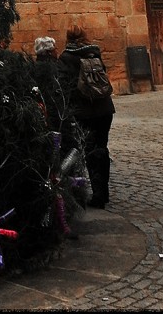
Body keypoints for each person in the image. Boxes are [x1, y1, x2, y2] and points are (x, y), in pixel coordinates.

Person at [58, 25, 115, 209]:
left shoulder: (66, 57)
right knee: (101, 147)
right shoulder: (94, 53)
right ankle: (104, 192)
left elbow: (65, 85)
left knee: (88, 150)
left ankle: (96, 195)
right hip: (105, 109)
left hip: (84, 111)